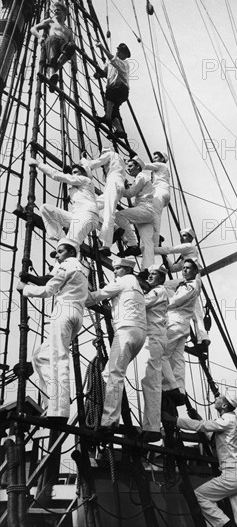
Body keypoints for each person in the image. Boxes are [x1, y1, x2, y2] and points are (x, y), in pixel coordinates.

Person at [17, 238, 88, 421]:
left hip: (64, 312)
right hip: (77, 314)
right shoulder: (83, 269)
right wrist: (33, 279)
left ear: (71, 252)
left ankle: (60, 411)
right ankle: (51, 405)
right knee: (41, 356)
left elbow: (48, 289)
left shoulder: (66, 265)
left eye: (60, 251)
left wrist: (25, 289)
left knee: (59, 358)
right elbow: (52, 281)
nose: (57, 255)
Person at [164, 392, 237, 527]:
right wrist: (197, 417)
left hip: (232, 475)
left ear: (224, 405)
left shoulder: (227, 420)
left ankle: (226, 525)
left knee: (199, 496)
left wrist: (174, 420)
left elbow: (202, 426)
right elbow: (211, 434)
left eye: (219, 398)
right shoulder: (231, 421)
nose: (216, 398)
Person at [85, 256, 146, 432]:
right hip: (139, 334)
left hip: (126, 331)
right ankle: (113, 413)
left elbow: (97, 296)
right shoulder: (137, 286)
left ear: (126, 270)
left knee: (114, 375)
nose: (115, 273)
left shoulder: (123, 281)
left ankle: (109, 421)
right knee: (108, 373)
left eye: (117, 269)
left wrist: (79, 295)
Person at [154, 227, 210, 348]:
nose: (182, 238)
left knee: (165, 286)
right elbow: (173, 268)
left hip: (192, 281)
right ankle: (203, 338)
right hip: (191, 282)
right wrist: (165, 257)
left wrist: (150, 250)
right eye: (181, 236)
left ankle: (170, 306)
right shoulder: (186, 255)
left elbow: (170, 249)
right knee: (196, 311)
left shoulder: (190, 247)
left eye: (184, 235)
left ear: (190, 238)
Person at [29, 157, 100, 245]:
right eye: (72, 173)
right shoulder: (80, 186)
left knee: (71, 244)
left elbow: (57, 175)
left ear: (84, 174)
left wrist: (38, 164)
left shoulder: (85, 179)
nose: (73, 175)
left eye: (75, 172)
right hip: (76, 215)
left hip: (87, 215)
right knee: (45, 209)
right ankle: (61, 239)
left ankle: (66, 246)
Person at [162, 258, 201, 405]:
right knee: (178, 359)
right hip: (183, 327)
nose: (184, 270)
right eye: (183, 268)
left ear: (195, 271)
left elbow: (174, 302)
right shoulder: (189, 285)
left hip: (175, 324)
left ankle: (172, 388)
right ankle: (181, 390)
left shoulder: (189, 287)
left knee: (161, 355)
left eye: (188, 268)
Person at [139, 263, 169, 443]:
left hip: (155, 338)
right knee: (149, 379)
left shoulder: (159, 291)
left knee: (151, 381)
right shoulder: (153, 291)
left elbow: (141, 303)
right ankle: (150, 426)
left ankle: (152, 428)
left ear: (161, 278)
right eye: (149, 274)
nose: (150, 277)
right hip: (151, 337)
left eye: (154, 274)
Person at [115, 156, 155, 269]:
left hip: (145, 210)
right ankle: (147, 269)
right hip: (147, 212)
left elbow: (130, 193)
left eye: (131, 166)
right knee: (146, 244)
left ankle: (132, 244)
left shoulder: (141, 176)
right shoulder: (142, 178)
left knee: (119, 215)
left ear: (138, 166)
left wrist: (118, 186)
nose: (128, 169)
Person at [87, 146, 127, 255]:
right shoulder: (120, 160)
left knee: (109, 213)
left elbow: (94, 163)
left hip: (113, 183)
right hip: (117, 185)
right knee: (91, 207)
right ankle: (115, 228)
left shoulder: (110, 154)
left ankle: (105, 244)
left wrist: (84, 162)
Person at [31, 1, 75, 88]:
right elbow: (33, 28)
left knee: (72, 46)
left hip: (63, 47)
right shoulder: (50, 21)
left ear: (64, 12)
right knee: (52, 39)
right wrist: (39, 37)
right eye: (54, 10)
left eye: (58, 10)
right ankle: (51, 73)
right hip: (52, 42)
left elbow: (72, 45)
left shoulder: (69, 30)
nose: (55, 12)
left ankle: (53, 71)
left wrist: (75, 63)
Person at [95, 42, 131, 138]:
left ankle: (107, 118)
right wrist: (99, 74)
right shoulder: (110, 63)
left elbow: (113, 60)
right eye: (118, 50)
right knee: (114, 111)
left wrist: (102, 47)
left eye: (122, 52)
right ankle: (120, 131)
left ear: (126, 55)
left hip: (120, 89)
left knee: (110, 92)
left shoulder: (124, 63)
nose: (118, 52)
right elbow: (106, 72)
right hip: (117, 90)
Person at [142, 151, 171, 247]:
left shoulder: (160, 165)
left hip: (160, 191)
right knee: (151, 212)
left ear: (162, 159)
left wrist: (131, 161)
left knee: (155, 215)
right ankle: (155, 236)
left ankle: (154, 242)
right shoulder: (161, 170)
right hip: (163, 192)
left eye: (156, 157)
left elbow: (144, 165)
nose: (154, 159)